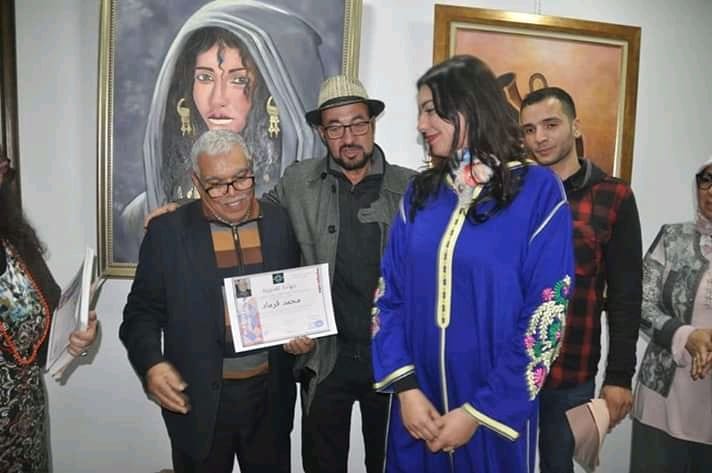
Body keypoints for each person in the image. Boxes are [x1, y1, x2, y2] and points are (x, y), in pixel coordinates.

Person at [371, 55, 575, 472]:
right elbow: (389, 295)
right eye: (421, 112)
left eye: (431, 110)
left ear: (469, 106)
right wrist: (406, 388)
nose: (421, 124)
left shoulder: (538, 191)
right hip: (419, 412)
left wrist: (478, 413)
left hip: (492, 416)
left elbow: (546, 313)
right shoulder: (421, 194)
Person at [120, 130, 309, 473]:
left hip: (269, 399)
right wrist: (151, 364)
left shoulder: (281, 223)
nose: (233, 193)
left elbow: (294, 298)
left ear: (253, 169)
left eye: (241, 178)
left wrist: (300, 336)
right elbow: (140, 314)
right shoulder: (168, 233)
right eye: (216, 185)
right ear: (196, 182)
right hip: (198, 401)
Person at [259, 75, 416, 473]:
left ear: (373, 124)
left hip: (391, 357)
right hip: (325, 357)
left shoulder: (411, 188)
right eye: (335, 127)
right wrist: (184, 211)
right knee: (322, 464)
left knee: (391, 464)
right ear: (321, 133)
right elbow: (248, 213)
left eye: (358, 124)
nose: (348, 137)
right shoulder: (298, 183)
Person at [117, 0, 328, 262]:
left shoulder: (303, 209)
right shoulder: (142, 216)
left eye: (238, 80)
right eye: (205, 77)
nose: (217, 99)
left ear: (273, 91)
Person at [519, 86, 643, 473]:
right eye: (529, 130)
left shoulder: (614, 196)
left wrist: (619, 376)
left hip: (570, 374)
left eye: (550, 125)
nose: (539, 138)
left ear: (576, 127)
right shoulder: (512, 195)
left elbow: (625, 296)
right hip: (508, 370)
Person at [0, 153, 98, 472]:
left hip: (24, 432)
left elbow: (51, 331)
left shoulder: (15, 242)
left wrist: (78, 339)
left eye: (2, 170)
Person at [628, 158, 712, 472]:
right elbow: (639, 301)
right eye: (706, 180)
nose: (711, 190)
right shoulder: (672, 238)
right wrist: (685, 335)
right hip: (661, 403)